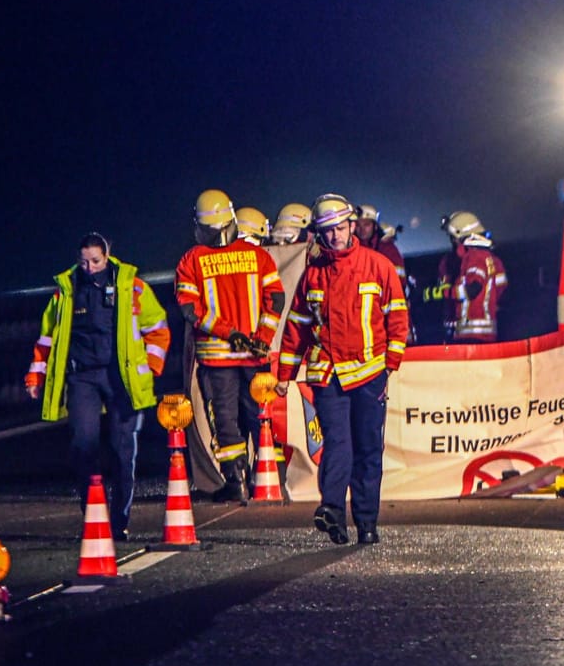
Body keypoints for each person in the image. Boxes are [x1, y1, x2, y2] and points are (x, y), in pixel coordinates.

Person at [277, 194, 409, 545]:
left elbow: (397, 318)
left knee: (367, 448)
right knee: (337, 442)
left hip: (369, 373)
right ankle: (332, 508)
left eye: (339, 228)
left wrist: (390, 364)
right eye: (327, 231)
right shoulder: (313, 275)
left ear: (352, 226)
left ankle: (366, 521)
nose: (335, 236)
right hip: (327, 374)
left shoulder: (378, 266)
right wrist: (284, 375)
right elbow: (297, 328)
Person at [26, 233, 171, 540]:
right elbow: (46, 338)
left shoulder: (132, 288)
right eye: (83, 262)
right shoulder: (65, 292)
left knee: (122, 450)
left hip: (121, 378)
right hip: (83, 378)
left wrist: (150, 369)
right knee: (83, 445)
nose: (89, 268)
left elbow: (157, 328)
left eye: (95, 261)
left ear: (107, 256)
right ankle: (94, 516)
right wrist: (35, 376)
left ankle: (119, 521)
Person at [175, 189, 285, 503]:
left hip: (216, 359)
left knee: (224, 420)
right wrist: (261, 339)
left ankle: (235, 481)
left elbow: (189, 309)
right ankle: (267, 478)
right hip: (254, 357)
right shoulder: (258, 256)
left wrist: (228, 333)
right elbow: (275, 299)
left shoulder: (191, 260)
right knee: (260, 415)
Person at [429, 210, 508, 342]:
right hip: (478, 332)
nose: (452, 241)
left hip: (471, 334)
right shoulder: (489, 258)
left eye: (452, 237)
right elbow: (500, 290)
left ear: (461, 236)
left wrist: (442, 293)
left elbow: (472, 289)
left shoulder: (474, 257)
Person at [356, 202, 408, 288]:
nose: (362, 229)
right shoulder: (350, 248)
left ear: (375, 226)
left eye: (367, 225)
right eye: (358, 225)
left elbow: (398, 281)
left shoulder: (387, 249)